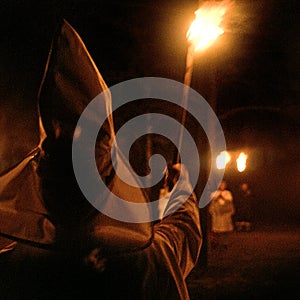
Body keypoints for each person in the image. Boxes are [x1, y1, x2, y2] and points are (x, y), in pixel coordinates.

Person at [0, 13, 202, 300]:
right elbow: (180, 237)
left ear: (39, 184)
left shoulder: (15, 265)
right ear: (107, 181)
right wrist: (181, 192)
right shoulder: (141, 257)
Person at [208, 180, 235, 250]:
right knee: (216, 231)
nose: (222, 186)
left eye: (223, 185)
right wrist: (218, 196)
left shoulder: (228, 193)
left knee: (225, 231)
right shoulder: (214, 193)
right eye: (220, 185)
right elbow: (212, 200)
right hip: (217, 215)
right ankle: (215, 242)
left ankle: (224, 243)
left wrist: (222, 197)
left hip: (225, 215)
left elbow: (229, 200)